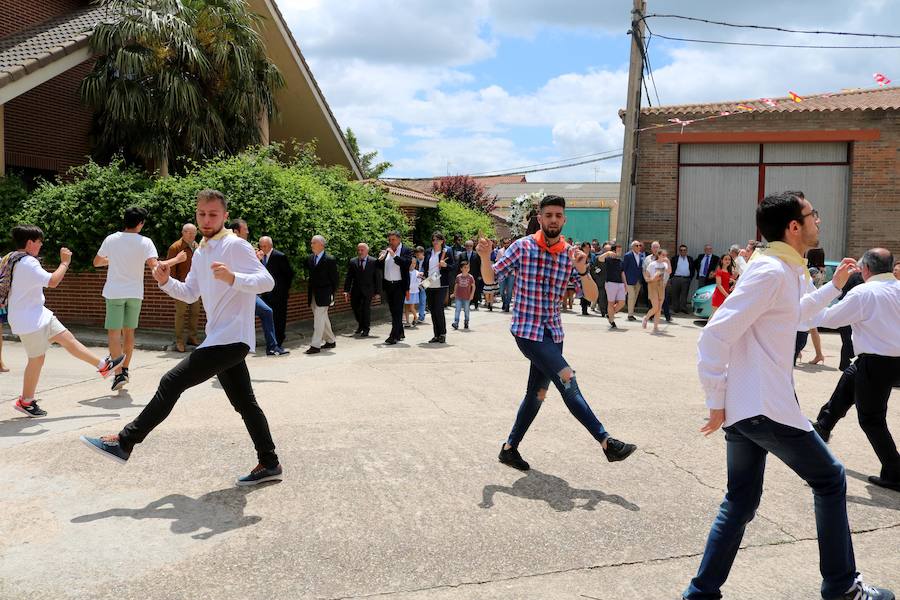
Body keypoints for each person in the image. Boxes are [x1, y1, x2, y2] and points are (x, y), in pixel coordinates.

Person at [683, 191, 893, 600]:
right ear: (794, 227)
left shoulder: (783, 268)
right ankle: (842, 588)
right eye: (813, 214)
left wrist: (832, 287)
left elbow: (796, 316)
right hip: (763, 407)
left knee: (741, 501)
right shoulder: (772, 271)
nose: (818, 221)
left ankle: (701, 593)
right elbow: (715, 334)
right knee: (830, 479)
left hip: (750, 408)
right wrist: (715, 399)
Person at [81, 189, 283, 486]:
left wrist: (234, 278)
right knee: (245, 403)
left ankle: (124, 442)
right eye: (201, 213)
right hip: (218, 338)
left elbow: (267, 282)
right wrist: (165, 281)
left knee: (171, 381)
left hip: (231, 339)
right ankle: (270, 462)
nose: (206, 219)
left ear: (225, 216)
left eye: (213, 214)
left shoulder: (236, 246)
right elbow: (190, 294)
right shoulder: (201, 252)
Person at [476, 195, 637, 471]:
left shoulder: (571, 254)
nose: (553, 220)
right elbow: (491, 279)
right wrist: (482, 256)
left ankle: (509, 448)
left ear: (564, 219)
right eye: (548, 215)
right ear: (540, 218)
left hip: (553, 333)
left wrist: (584, 271)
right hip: (527, 330)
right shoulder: (522, 247)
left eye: (557, 216)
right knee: (567, 378)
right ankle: (606, 441)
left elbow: (592, 296)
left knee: (537, 394)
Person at [6, 225, 124, 417]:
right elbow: (52, 281)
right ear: (29, 243)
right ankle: (26, 401)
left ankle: (103, 366)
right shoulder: (28, 262)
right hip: (29, 319)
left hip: (36, 314)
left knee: (67, 338)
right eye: (39, 242)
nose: (41, 245)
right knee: (36, 360)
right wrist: (64, 263)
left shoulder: (10, 258)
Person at [811, 248, 900, 492]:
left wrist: (810, 305)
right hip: (888, 361)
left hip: (878, 361)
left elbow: (830, 319)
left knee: (871, 419)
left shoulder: (864, 292)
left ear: (866, 269)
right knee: (851, 376)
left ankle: (895, 472)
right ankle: (823, 425)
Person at [94, 207, 160, 392]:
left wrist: (112, 260)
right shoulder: (146, 242)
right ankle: (125, 370)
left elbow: (97, 262)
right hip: (135, 293)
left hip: (114, 292)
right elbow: (154, 266)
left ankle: (117, 374)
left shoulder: (111, 239)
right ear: (141, 223)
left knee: (114, 334)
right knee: (129, 333)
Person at [229, 220, 284, 356]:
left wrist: (255, 259)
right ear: (236, 231)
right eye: (245, 229)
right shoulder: (236, 246)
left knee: (266, 312)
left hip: (245, 290)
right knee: (264, 312)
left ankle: (271, 346)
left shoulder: (237, 246)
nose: (248, 232)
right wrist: (256, 260)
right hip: (238, 290)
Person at [166, 223, 200, 353]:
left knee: (195, 312)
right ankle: (179, 340)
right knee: (181, 314)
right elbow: (170, 269)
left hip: (195, 286)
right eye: (189, 232)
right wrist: (172, 287)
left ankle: (192, 337)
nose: (191, 235)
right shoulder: (175, 247)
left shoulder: (198, 246)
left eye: (194, 233)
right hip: (181, 286)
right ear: (183, 233)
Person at [304, 235, 338, 355]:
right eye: (311, 242)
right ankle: (330, 340)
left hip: (325, 294)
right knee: (323, 318)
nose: (311, 245)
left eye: (314, 243)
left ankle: (315, 345)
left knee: (318, 319)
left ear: (321, 245)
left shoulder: (330, 259)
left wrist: (332, 294)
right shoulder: (310, 258)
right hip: (313, 294)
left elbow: (335, 279)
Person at [258, 236, 294, 348]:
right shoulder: (260, 257)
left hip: (279, 295)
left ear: (270, 245)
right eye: (261, 246)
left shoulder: (280, 256)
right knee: (268, 319)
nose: (263, 248)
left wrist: (283, 290)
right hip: (265, 295)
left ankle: (279, 341)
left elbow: (289, 274)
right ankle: (271, 341)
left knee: (279, 319)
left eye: (265, 246)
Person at [379, 231, 412, 345]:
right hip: (388, 285)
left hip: (399, 285)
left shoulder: (406, 250)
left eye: (393, 240)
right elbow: (380, 267)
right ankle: (400, 332)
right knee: (393, 311)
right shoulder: (387, 250)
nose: (391, 242)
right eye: (389, 240)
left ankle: (393, 336)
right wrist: (381, 258)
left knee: (397, 311)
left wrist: (393, 255)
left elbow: (406, 264)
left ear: (399, 239)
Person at [421, 232, 454, 343]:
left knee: (439, 309)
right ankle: (436, 334)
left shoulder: (447, 251)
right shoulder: (428, 251)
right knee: (432, 309)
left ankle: (442, 334)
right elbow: (425, 266)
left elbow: (453, 267)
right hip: (429, 283)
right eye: (433, 240)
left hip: (441, 284)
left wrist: (445, 265)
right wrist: (423, 274)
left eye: (437, 240)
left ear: (442, 241)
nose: (435, 242)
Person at [343, 242, 381, 337]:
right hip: (356, 290)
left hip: (368, 290)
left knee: (365, 309)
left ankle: (366, 329)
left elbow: (378, 278)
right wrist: (346, 290)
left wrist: (378, 292)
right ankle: (361, 325)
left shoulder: (373, 261)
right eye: (358, 250)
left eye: (362, 250)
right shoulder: (353, 261)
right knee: (355, 308)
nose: (360, 252)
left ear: (367, 251)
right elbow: (349, 277)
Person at [643, 248, 671, 333]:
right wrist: (653, 278)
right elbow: (647, 278)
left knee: (659, 309)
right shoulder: (652, 264)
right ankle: (646, 317)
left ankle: (655, 327)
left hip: (661, 286)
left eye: (666, 255)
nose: (664, 257)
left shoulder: (665, 264)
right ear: (658, 255)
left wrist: (668, 262)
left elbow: (669, 271)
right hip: (652, 286)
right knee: (655, 307)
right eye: (663, 255)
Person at [598, 244, 627, 329]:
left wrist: (625, 284)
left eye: (620, 250)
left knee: (622, 302)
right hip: (610, 283)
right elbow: (600, 259)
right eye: (618, 250)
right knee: (611, 303)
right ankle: (612, 320)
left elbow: (622, 273)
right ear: (613, 251)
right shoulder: (608, 259)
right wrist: (607, 253)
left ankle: (610, 314)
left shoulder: (621, 261)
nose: (620, 252)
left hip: (620, 284)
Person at [670, 244, 696, 314]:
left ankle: (683, 308)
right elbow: (670, 268)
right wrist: (671, 278)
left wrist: (690, 277)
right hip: (676, 278)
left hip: (686, 279)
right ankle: (675, 308)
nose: (683, 251)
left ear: (686, 251)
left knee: (684, 294)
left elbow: (692, 269)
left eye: (684, 250)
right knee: (675, 294)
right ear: (679, 251)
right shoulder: (675, 258)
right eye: (681, 250)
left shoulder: (690, 259)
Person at [623, 240, 645, 321]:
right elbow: (624, 268)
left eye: (640, 245)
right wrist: (624, 280)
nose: (639, 247)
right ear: (632, 247)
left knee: (635, 297)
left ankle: (631, 313)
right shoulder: (627, 255)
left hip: (638, 280)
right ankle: (630, 315)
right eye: (637, 245)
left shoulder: (642, 255)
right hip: (629, 280)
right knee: (631, 296)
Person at [452, 260, 475, 330]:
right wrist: (454, 293)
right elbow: (456, 285)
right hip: (458, 296)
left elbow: (473, 286)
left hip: (467, 297)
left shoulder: (470, 277)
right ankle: (456, 322)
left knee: (466, 310)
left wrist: (472, 294)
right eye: (465, 267)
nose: (466, 269)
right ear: (461, 268)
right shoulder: (458, 277)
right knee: (457, 309)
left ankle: (466, 322)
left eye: (468, 267)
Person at [460, 240, 483, 310]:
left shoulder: (477, 254)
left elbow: (480, 265)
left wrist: (480, 275)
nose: (469, 247)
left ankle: (476, 303)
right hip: (465, 275)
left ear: (473, 246)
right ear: (465, 246)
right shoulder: (462, 254)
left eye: (470, 246)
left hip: (475, 275)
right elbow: (459, 265)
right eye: (467, 246)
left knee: (475, 290)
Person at [498, 238, 515, 312]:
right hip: (502, 273)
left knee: (510, 290)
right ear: (503, 244)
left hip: (511, 273)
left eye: (508, 243)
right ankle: (504, 301)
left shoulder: (513, 250)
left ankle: (507, 305)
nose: (506, 244)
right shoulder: (500, 251)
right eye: (505, 243)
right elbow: (497, 262)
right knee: (501, 290)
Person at [404, 257, 420, 328]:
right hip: (407, 291)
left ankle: (416, 317)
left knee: (411, 307)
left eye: (414, 263)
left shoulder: (417, 272)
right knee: (406, 307)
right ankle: (407, 322)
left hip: (413, 292)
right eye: (411, 263)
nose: (412, 265)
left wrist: (420, 277)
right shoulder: (405, 271)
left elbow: (419, 282)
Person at [415, 246, 427, 324]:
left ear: (422, 253)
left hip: (425, 282)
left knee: (422, 299)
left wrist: (424, 276)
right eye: (416, 255)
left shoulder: (427, 260)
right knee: (418, 300)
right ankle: (422, 314)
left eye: (418, 254)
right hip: (416, 282)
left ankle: (421, 316)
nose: (417, 256)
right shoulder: (415, 261)